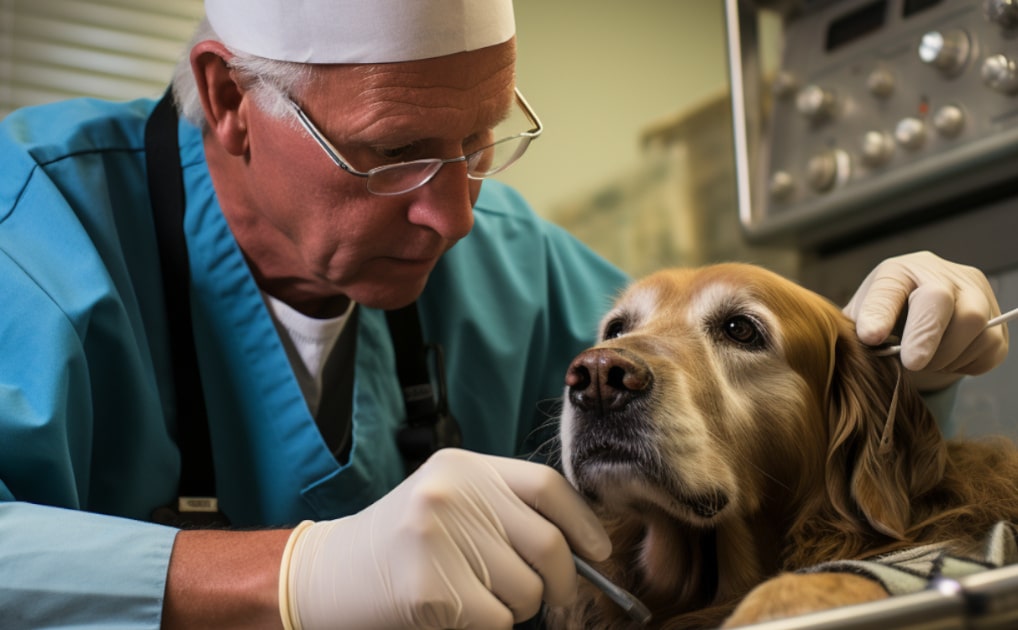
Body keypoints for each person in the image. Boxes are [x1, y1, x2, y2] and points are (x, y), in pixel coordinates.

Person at [0, 1, 1007, 628]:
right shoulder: (32, 233)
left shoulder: (508, 259)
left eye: (480, 141)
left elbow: (748, 406)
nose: (455, 214)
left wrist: (902, 351)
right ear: (226, 99)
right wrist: (293, 577)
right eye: (392, 154)